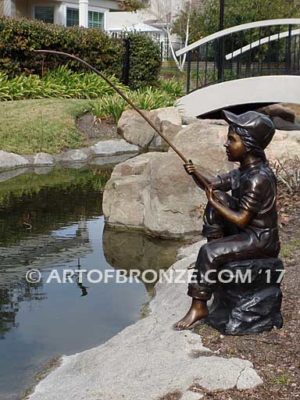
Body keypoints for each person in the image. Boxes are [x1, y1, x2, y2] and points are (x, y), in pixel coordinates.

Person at [175, 110, 281, 330]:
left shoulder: (258, 178)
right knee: (220, 197)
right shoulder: (243, 171)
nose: (226, 144)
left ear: (249, 145)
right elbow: (212, 185)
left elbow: (242, 220)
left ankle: (199, 304)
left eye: (232, 139)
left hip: (260, 239)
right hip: (248, 232)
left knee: (209, 252)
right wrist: (195, 173)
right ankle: (216, 267)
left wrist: (214, 202)